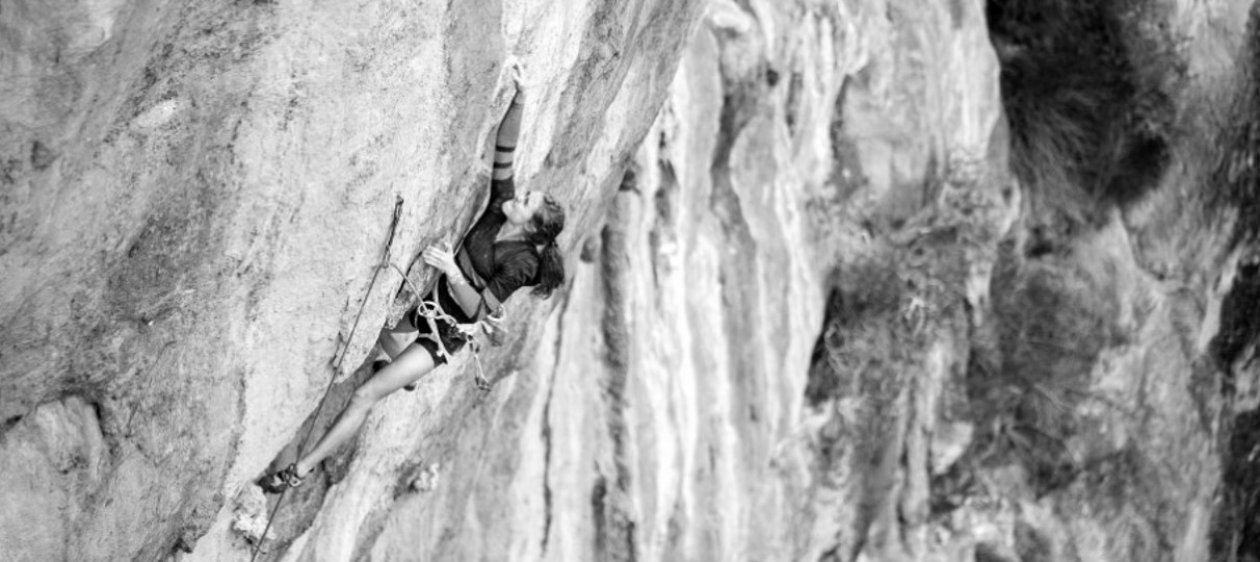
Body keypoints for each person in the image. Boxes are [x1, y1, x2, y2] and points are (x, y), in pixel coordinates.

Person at [259, 71, 565, 493]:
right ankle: (395, 362)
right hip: (426, 303)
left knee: (365, 394)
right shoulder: (500, 206)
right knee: (376, 347)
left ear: (530, 230)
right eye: (526, 193)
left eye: (526, 201)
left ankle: (300, 471)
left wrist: (452, 270)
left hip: (444, 336)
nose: (520, 194)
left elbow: (477, 308)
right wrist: (521, 97)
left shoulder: (523, 264)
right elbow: (505, 151)